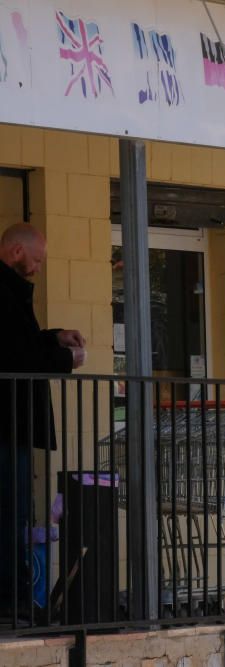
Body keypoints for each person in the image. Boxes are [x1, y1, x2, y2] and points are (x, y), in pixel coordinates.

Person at [0, 223, 86, 619]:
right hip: (7, 421)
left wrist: (54, 338)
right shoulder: (4, 290)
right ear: (16, 251)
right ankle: (13, 602)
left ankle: (17, 600)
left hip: (13, 422)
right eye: (34, 260)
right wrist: (64, 359)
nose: (36, 269)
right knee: (10, 514)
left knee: (14, 512)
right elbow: (15, 354)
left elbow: (24, 342)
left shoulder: (11, 289)